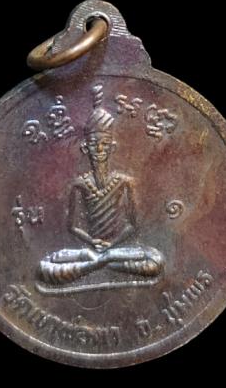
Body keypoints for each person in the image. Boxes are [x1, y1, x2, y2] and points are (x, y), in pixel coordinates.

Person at [38, 88, 163, 287]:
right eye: (94, 144)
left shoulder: (124, 182)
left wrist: (110, 246)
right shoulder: (79, 184)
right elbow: (73, 226)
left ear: (112, 147)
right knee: (46, 267)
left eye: (104, 144)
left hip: (117, 249)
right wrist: (91, 243)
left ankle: (98, 263)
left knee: (155, 260)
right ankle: (101, 262)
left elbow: (132, 225)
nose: (99, 149)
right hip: (87, 251)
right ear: (85, 148)